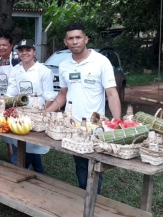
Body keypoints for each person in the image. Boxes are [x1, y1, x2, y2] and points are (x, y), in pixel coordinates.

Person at [45, 22, 121, 194]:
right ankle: (84, 198)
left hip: (95, 126)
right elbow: (63, 94)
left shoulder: (101, 62)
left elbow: (112, 93)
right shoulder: (64, 65)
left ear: (86, 39)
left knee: (94, 166)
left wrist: (116, 122)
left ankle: (93, 201)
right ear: (65, 42)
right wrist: (45, 113)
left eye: (78, 37)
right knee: (80, 163)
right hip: (73, 127)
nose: (75, 41)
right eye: (70, 38)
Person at [6, 39, 55, 173]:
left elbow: (49, 97)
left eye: (28, 50)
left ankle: (26, 172)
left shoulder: (43, 70)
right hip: (20, 115)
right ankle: (32, 172)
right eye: (21, 50)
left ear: (34, 52)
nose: (24, 53)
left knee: (33, 146)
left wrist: (43, 116)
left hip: (38, 114)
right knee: (23, 146)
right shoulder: (16, 70)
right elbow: (10, 94)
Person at [0, 35, 21, 161]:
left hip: (16, 101)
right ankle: (11, 153)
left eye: (4, 45)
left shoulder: (16, 60)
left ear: (11, 46)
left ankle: (17, 160)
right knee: (6, 128)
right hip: (3, 101)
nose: (1, 47)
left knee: (17, 130)